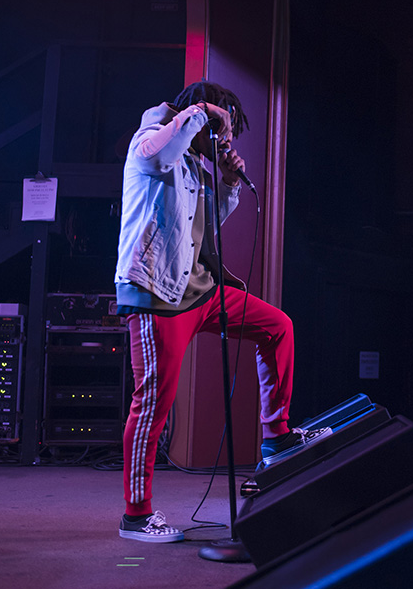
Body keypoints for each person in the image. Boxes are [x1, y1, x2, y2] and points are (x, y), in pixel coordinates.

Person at [114, 81, 328, 543]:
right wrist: (202, 113)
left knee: (278, 327)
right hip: (157, 294)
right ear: (201, 115)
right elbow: (157, 157)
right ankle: (136, 515)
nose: (225, 143)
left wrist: (228, 184)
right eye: (222, 130)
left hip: (200, 290)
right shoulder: (150, 137)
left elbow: (203, 230)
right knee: (153, 404)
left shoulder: (191, 162)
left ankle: (276, 437)